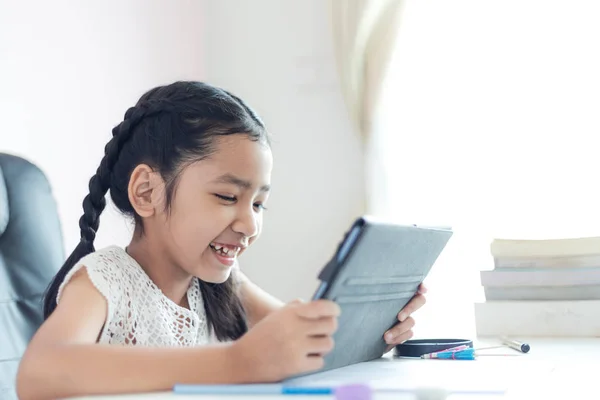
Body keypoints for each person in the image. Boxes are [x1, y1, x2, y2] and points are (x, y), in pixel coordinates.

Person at [16, 81, 426, 400]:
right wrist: (234, 362)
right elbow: (40, 372)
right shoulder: (105, 280)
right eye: (227, 197)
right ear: (147, 192)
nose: (249, 224)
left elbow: (310, 344)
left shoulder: (224, 285)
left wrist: (379, 320)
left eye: (259, 204)